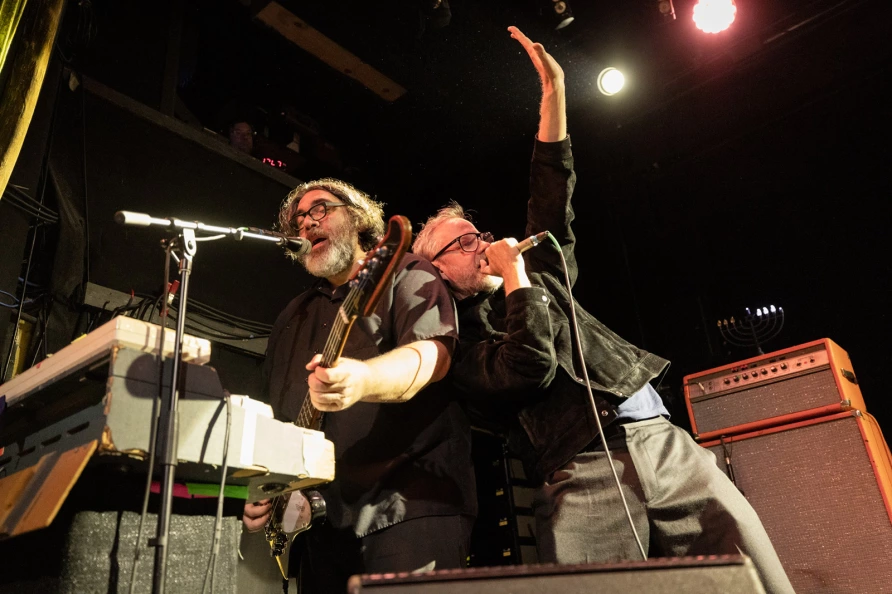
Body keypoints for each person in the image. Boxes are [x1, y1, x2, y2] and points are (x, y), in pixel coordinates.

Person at [412, 27, 795, 594]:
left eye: (480, 233)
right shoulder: (460, 345)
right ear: (437, 269)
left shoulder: (542, 272)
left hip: (659, 440)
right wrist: (515, 279)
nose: (483, 242)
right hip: (582, 470)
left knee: (750, 575)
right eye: (463, 241)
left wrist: (554, 94)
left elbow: (552, 191)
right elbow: (528, 366)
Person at [243, 178, 476, 593]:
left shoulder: (405, 272)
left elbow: (433, 356)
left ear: (355, 217)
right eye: (298, 220)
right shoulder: (291, 318)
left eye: (320, 210)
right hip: (318, 529)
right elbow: (275, 417)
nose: (307, 224)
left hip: (408, 507)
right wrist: (263, 487)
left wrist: (364, 378)